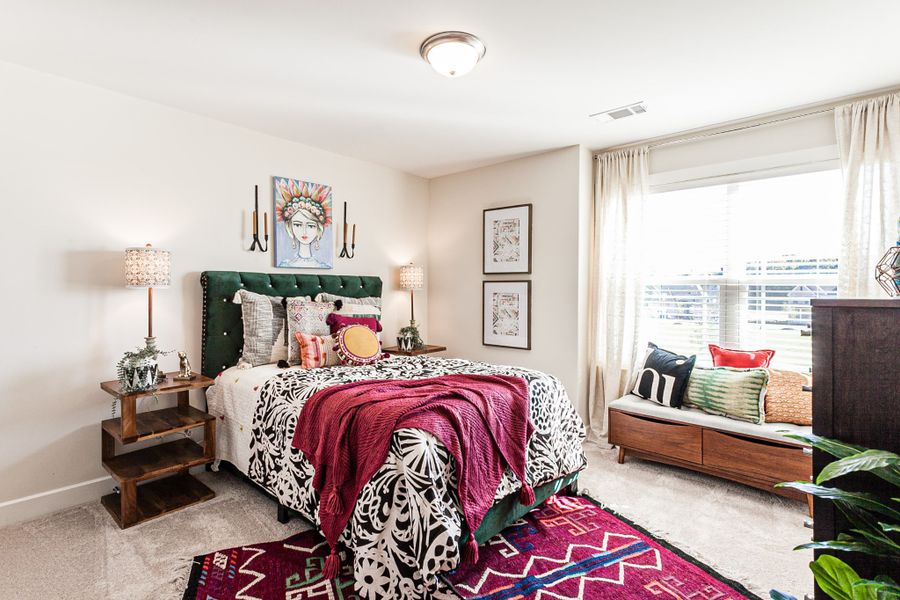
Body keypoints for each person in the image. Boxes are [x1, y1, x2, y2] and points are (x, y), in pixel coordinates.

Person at [275, 178, 332, 268]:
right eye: (297, 225)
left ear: (318, 229)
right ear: (290, 227)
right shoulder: (285, 264)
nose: (304, 231)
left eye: (311, 226)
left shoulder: (324, 266)